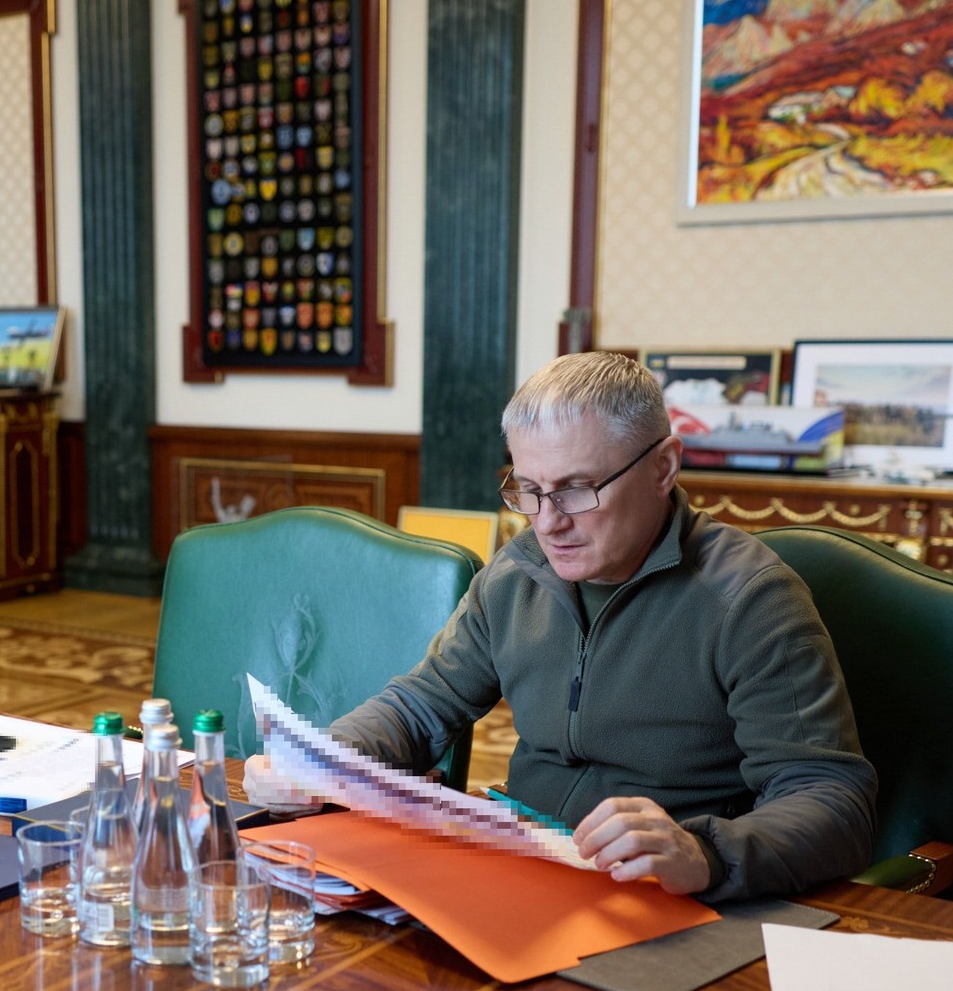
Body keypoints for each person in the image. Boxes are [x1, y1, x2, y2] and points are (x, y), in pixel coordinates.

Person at [302, 352, 877, 902]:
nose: (548, 524)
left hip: (661, 896)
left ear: (663, 467)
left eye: (576, 490)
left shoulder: (750, 599)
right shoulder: (517, 573)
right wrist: (315, 761)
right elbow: (420, 707)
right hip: (522, 865)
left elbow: (833, 801)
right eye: (529, 491)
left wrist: (704, 852)